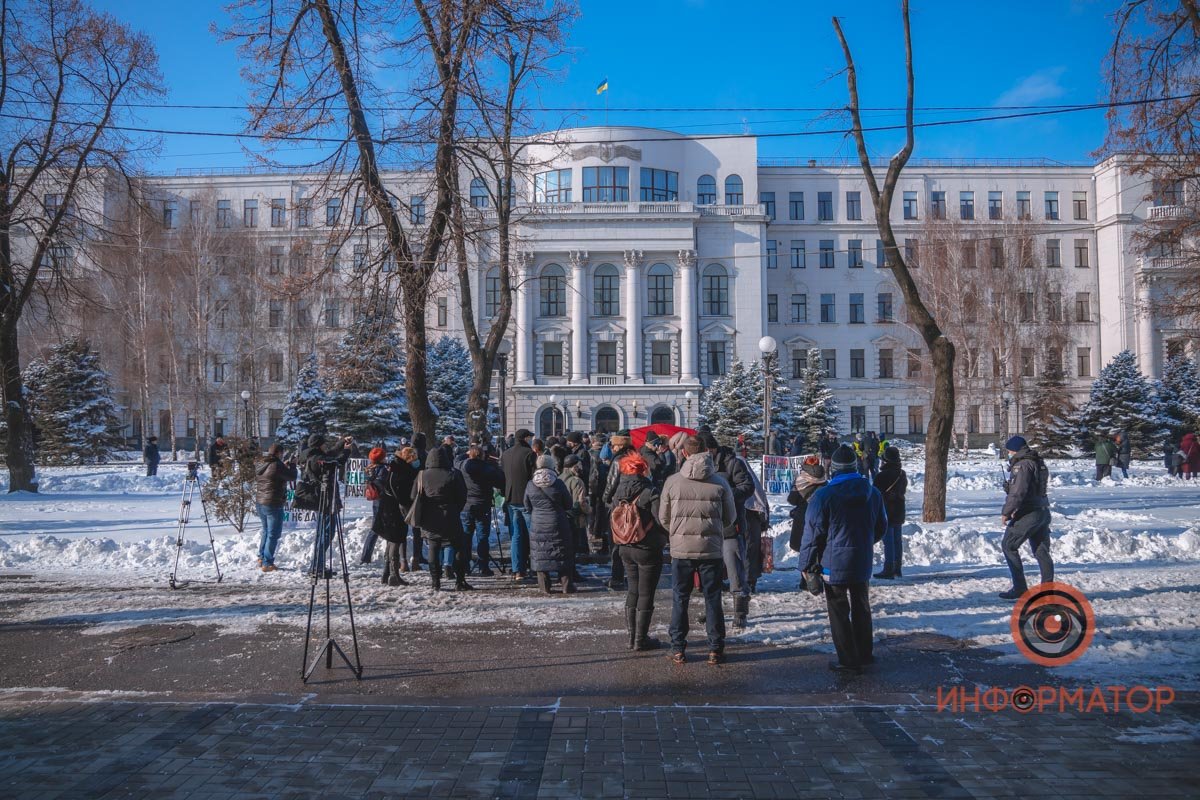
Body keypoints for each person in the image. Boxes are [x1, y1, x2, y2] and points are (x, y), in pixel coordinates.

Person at [799, 444, 887, 673]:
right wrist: (865, 543)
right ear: (855, 466)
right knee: (862, 606)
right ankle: (865, 653)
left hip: (832, 562)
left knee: (838, 610)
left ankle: (847, 659)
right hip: (862, 559)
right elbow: (881, 527)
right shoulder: (873, 493)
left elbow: (812, 534)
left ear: (834, 469)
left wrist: (806, 565)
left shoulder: (823, 496)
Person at [659, 435, 737, 665]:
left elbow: (664, 517)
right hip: (711, 548)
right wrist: (712, 529)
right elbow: (729, 518)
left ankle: (678, 648)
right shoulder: (720, 482)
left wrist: (677, 532)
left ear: (684, 453)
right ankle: (715, 648)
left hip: (681, 549)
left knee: (679, 597)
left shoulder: (673, 481)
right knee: (712, 598)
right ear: (707, 452)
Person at [610, 451, 667, 649]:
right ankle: (641, 639)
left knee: (632, 590)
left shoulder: (618, 491)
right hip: (647, 547)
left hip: (625, 546)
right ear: (643, 469)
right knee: (646, 593)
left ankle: (632, 637)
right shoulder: (650, 491)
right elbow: (661, 520)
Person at [703, 433, 754, 629]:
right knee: (711, 573)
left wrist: (726, 496)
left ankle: (740, 611)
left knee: (734, 569)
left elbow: (747, 486)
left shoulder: (733, 463)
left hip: (730, 525)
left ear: (712, 448)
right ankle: (713, 612)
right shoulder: (699, 465)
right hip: (709, 526)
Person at [999, 435, 1054, 600]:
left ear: (1014, 450)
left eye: (1009, 451)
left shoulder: (1022, 465)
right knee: (1041, 551)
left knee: (1008, 545)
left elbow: (1018, 493)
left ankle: (1020, 587)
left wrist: (1006, 512)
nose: (1008, 454)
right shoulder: (1037, 461)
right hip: (1043, 510)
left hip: (1028, 512)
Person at [411, 447, 471, 591]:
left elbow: (414, 496)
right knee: (458, 546)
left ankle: (435, 581)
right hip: (450, 514)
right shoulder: (454, 473)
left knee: (433, 546)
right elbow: (462, 495)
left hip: (430, 517)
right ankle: (460, 580)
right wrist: (455, 509)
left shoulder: (422, 475)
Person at [525, 454, 576, 594]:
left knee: (540, 554)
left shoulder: (530, 484)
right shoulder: (558, 483)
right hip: (558, 521)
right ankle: (567, 586)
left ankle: (545, 587)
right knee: (563, 553)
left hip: (538, 523)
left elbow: (527, 506)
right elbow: (568, 504)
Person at [602, 432, 640, 590]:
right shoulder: (636, 457)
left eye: (614, 445)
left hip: (618, 504)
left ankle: (616, 577)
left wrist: (605, 499)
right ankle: (633, 576)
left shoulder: (617, 460)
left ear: (620, 446)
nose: (612, 447)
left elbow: (611, 484)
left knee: (616, 543)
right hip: (634, 504)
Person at [461, 444, 505, 577]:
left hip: (467, 505)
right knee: (482, 536)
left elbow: (457, 459)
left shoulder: (463, 466)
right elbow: (501, 482)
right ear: (482, 456)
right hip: (483, 504)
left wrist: (466, 453)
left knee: (466, 536)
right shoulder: (487, 469)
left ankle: (465, 566)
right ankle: (483, 566)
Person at [500, 428, 537, 580]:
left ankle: (517, 569)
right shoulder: (529, 454)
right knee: (532, 534)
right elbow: (534, 477)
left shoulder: (506, 454)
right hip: (526, 498)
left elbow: (502, 476)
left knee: (516, 535)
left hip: (510, 497)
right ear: (526, 438)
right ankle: (536, 567)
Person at [255, 443, 297, 572]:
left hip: (260, 502)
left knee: (266, 531)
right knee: (273, 534)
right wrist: (293, 465)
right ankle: (267, 563)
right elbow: (292, 477)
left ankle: (261, 557)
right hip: (273, 502)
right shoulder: (277, 465)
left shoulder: (263, 463)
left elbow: (273, 475)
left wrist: (283, 466)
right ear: (279, 453)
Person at [371, 450, 411, 587]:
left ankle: (386, 573)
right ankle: (393, 575)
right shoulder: (400, 471)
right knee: (395, 540)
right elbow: (400, 493)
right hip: (394, 510)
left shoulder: (395, 468)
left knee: (391, 541)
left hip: (388, 508)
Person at [873, 446, 908, 579]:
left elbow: (875, 494)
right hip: (899, 510)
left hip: (886, 510)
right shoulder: (901, 473)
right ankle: (897, 568)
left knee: (888, 542)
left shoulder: (881, 476)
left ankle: (888, 569)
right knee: (897, 541)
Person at [787, 456, 827, 557]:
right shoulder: (824, 478)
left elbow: (792, 500)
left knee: (803, 548)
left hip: (803, 515)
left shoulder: (800, 480)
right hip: (821, 515)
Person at [742, 455, 770, 595]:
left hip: (745, 518)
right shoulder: (753, 481)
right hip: (753, 519)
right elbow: (762, 501)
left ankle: (746, 581)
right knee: (751, 551)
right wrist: (764, 522)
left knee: (746, 550)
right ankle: (749, 581)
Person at [561, 454, 591, 579]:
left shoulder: (559, 478)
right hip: (575, 518)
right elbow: (580, 502)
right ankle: (572, 573)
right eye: (578, 465)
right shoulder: (576, 481)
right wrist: (589, 510)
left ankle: (564, 572)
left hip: (561, 517)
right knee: (573, 547)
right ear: (574, 466)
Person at [392, 447, 421, 571]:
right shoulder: (412, 469)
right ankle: (413, 560)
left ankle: (405, 561)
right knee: (415, 531)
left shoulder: (402, 468)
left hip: (404, 503)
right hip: (410, 503)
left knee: (404, 532)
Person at [360, 447, 388, 564]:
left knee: (376, 528)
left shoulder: (369, 469)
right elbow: (384, 484)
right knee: (378, 529)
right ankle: (367, 557)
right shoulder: (383, 470)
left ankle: (366, 556)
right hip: (384, 501)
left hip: (376, 501)